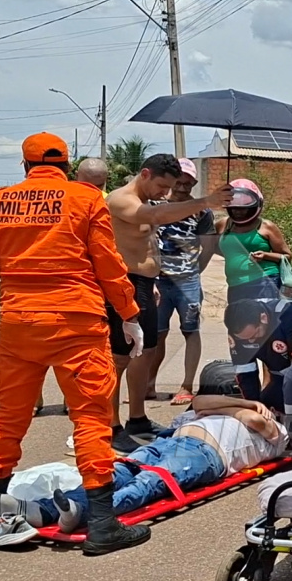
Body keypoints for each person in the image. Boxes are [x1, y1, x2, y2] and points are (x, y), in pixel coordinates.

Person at [0, 131, 150, 554]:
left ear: (25, 166)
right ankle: (102, 524)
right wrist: (130, 315)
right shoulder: (86, 198)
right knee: (92, 418)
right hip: (78, 322)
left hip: (20, 325)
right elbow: (109, 265)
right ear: (66, 165)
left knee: (9, 417)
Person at [0, 380, 289, 540]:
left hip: (205, 455)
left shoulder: (278, 431)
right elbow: (199, 402)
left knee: (149, 482)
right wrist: (246, 401)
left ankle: (80, 512)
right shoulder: (232, 406)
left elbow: (256, 422)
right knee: (118, 470)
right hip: (169, 442)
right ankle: (43, 510)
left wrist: (247, 409)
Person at [105, 154, 233, 453]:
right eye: (162, 186)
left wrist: (153, 280)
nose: (165, 193)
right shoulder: (121, 200)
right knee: (119, 358)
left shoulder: (147, 201)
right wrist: (207, 201)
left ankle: (137, 418)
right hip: (126, 284)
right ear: (145, 174)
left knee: (145, 353)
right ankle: (110, 426)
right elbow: (156, 217)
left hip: (146, 285)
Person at [146, 158, 217, 406]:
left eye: (188, 184)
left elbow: (208, 246)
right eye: (179, 183)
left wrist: (194, 271)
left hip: (187, 281)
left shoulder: (201, 211)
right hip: (158, 280)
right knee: (156, 334)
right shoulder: (154, 205)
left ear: (194, 183)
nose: (182, 188)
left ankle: (186, 385)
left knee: (190, 330)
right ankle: (149, 383)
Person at [223, 298, 292, 410]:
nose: (251, 341)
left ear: (263, 318)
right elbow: (245, 373)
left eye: (254, 335)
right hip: (280, 373)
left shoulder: (291, 313)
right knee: (268, 408)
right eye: (245, 340)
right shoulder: (237, 328)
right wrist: (254, 406)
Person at [213, 179, 292, 305]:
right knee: (238, 322)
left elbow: (287, 256)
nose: (238, 212)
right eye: (234, 208)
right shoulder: (223, 224)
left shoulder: (266, 226)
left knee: (262, 321)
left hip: (264, 282)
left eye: (243, 209)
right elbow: (209, 244)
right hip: (235, 284)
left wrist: (265, 255)